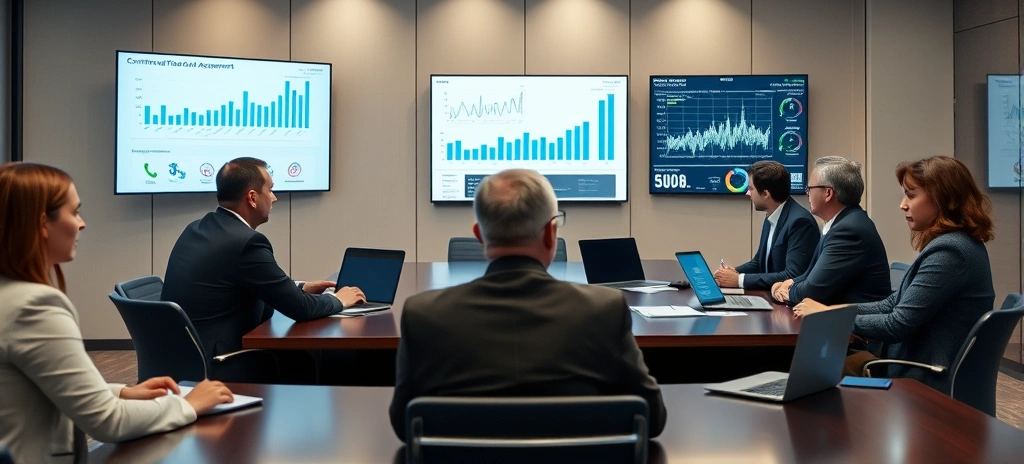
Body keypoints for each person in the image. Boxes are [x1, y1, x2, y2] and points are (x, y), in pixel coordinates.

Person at [389, 169, 666, 440]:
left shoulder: (423, 315)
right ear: (550, 234)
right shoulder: (604, 310)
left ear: (480, 235)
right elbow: (652, 418)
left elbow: (404, 424)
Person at [0, 162, 234, 464]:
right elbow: (108, 422)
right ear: (43, 224)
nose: (82, 224)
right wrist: (189, 404)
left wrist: (120, 392)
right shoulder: (34, 307)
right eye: (74, 212)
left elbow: (32, 387)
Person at [794, 156, 995, 392]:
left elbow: (896, 324)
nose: (903, 205)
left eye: (911, 195)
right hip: (912, 363)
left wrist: (828, 318)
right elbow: (892, 303)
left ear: (943, 198)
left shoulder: (951, 252)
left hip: (922, 377)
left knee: (811, 371)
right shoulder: (954, 244)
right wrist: (832, 312)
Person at [161, 157, 366, 379]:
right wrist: (339, 299)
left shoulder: (196, 229)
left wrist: (300, 287)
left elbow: (244, 284)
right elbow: (301, 309)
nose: (274, 197)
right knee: (307, 359)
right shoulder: (245, 242)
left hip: (180, 358)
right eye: (270, 189)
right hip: (220, 363)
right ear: (252, 197)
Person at [771, 156, 891, 305]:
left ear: (828, 193)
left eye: (810, 188)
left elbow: (813, 291)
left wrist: (787, 292)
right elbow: (810, 276)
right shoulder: (841, 222)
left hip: (852, 319)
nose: (808, 194)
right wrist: (790, 283)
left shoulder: (848, 231)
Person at [713, 161, 819, 290]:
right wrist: (732, 272)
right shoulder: (771, 215)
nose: (748, 193)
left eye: (751, 188)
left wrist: (739, 280)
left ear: (765, 194)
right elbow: (759, 262)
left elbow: (792, 275)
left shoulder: (800, 222)